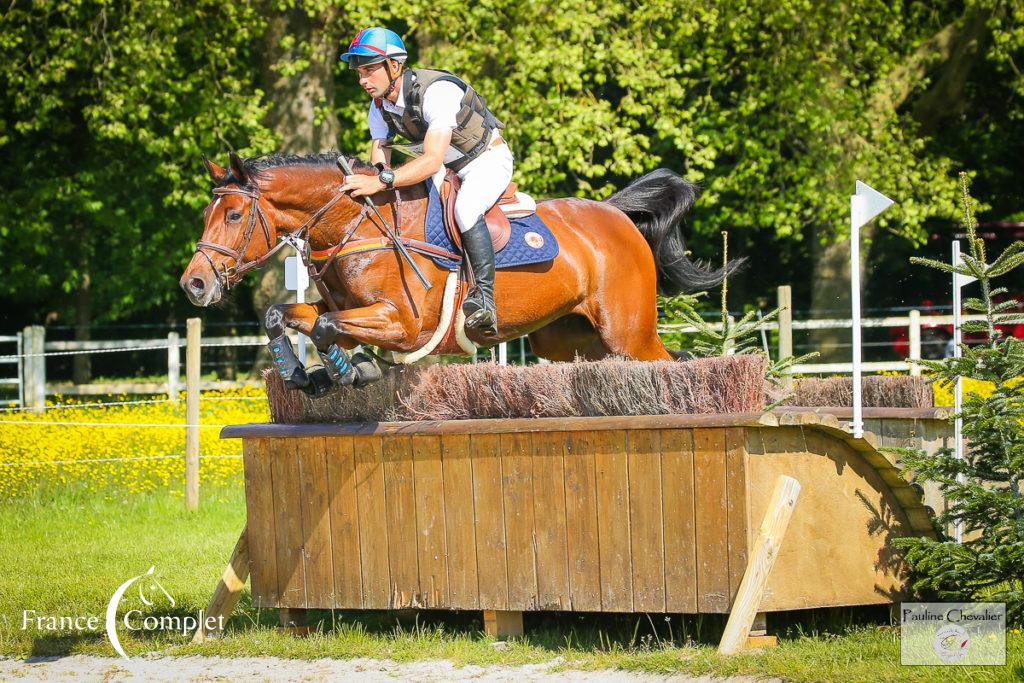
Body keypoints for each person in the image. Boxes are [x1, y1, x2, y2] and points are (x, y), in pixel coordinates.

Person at [338, 26, 511, 335]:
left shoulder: (436, 92)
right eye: (358, 71)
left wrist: (383, 181)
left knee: (467, 208)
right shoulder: (379, 106)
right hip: (448, 167)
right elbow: (380, 153)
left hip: (486, 160)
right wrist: (377, 179)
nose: (362, 79)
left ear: (394, 65)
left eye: (368, 70)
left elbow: (430, 159)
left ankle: (484, 299)